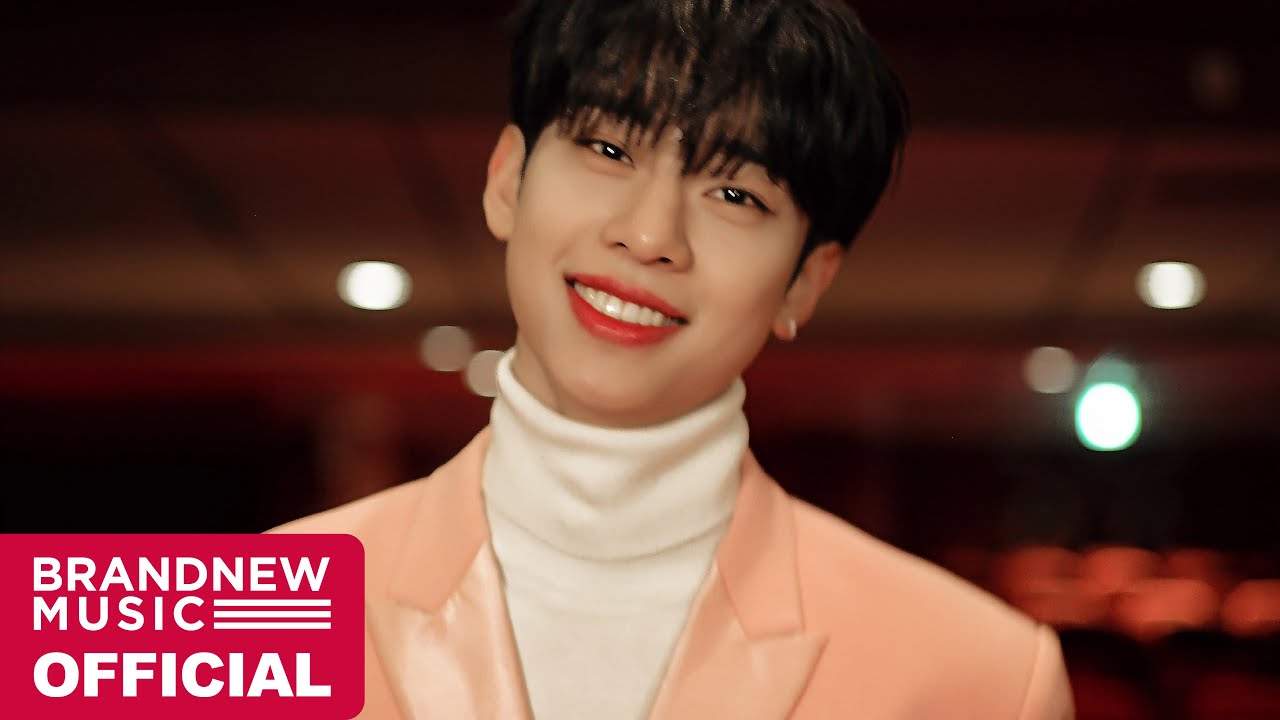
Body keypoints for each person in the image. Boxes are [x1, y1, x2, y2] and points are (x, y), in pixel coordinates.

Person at [273, 0, 1075, 717]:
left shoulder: (981, 678)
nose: (650, 235)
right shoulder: (256, 614)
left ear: (805, 282)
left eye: (736, 195)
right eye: (608, 148)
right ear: (508, 180)